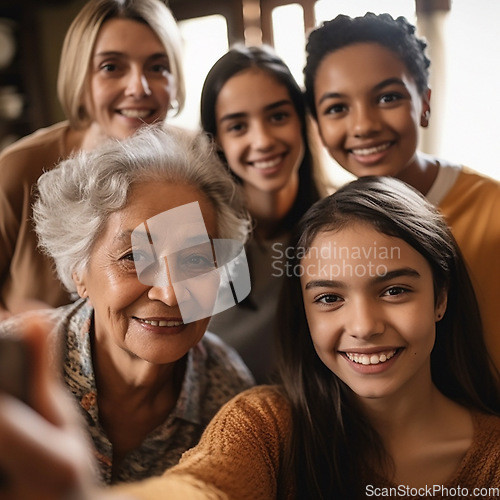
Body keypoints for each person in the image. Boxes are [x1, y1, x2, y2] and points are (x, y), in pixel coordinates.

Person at [3, 177, 500, 500]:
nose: (365, 325)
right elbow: (205, 486)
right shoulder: (265, 425)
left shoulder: (222, 376)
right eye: (329, 297)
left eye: (393, 290)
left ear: (441, 297)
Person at [0, 124, 254, 486]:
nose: (169, 294)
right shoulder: (12, 374)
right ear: (79, 273)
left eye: (196, 260)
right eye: (134, 256)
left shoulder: (229, 397)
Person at [302, 12, 500, 371]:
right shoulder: (329, 234)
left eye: (388, 97)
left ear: (424, 103)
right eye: (337, 108)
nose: (363, 125)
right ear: (317, 123)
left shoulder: (494, 210)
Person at [0, 0, 185, 319]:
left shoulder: (189, 169)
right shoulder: (18, 170)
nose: (138, 87)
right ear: (80, 78)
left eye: (157, 67)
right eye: (111, 67)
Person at [200, 44, 328, 382]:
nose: (263, 140)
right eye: (238, 126)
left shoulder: (337, 231)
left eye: (277, 116)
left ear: (301, 121)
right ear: (217, 142)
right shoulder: (197, 239)